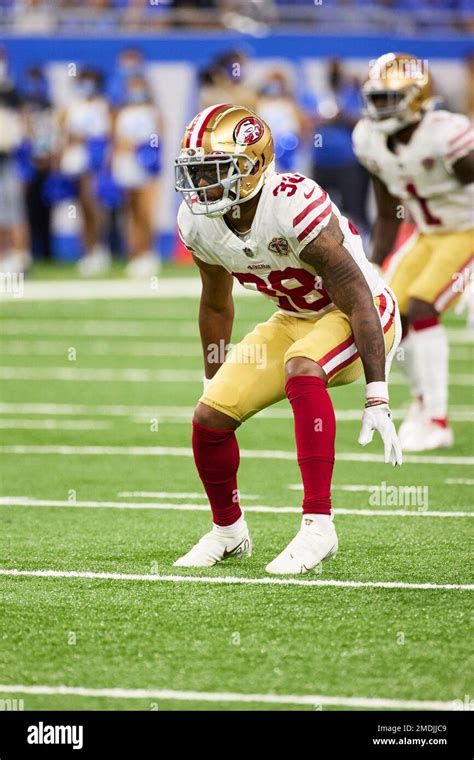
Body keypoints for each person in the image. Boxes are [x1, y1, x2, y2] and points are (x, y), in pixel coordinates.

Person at [173, 103, 402, 574]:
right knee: (209, 419)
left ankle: (319, 527)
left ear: (252, 166)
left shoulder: (292, 204)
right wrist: (212, 378)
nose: (201, 185)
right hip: (295, 316)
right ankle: (229, 532)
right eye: (195, 172)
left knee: (303, 366)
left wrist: (377, 393)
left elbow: (357, 294)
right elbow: (216, 303)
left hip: (363, 313)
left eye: (214, 171)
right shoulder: (198, 222)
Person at [353, 52, 474, 452]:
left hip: (468, 229)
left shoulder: (447, 135)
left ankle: (439, 421)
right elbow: (388, 212)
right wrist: (373, 261)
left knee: (423, 305)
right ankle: (424, 403)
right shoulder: (369, 139)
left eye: (391, 98)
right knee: (387, 314)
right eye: (377, 97)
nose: (380, 107)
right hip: (426, 234)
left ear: (418, 97)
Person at [57, 68, 112, 276]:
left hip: (95, 162)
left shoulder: (102, 106)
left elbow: (107, 135)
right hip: (75, 163)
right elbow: (65, 135)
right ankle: (88, 250)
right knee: (81, 208)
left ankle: (100, 248)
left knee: (93, 205)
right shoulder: (72, 107)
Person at [111, 74, 162, 278]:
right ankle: (134, 253)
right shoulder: (121, 113)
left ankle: (148, 253)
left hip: (145, 164)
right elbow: (116, 139)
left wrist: (144, 152)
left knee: (145, 211)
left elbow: (157, 140)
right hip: (125, 165)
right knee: (129, 212)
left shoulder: (152, 113)